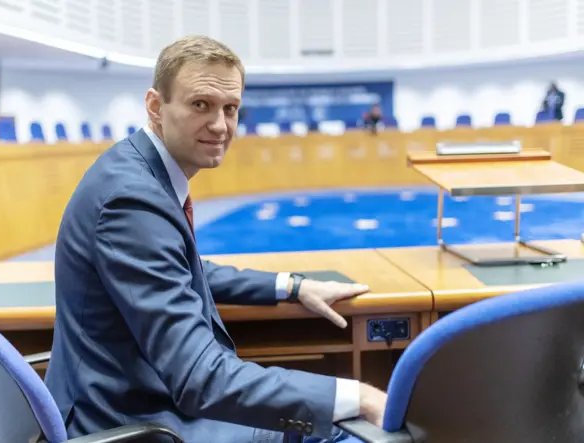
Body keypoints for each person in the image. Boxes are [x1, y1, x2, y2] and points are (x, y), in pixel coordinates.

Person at [44, 35, 387, 443]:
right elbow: (199, 379)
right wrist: (359, 397)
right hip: (131, 419)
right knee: (350, 430)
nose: (221, 125)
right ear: (156, 106)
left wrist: (292, 286)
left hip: (126, 395)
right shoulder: (130, 200)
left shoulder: (135, 169)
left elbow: (180, 268)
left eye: (231, 108)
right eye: (200, 105)